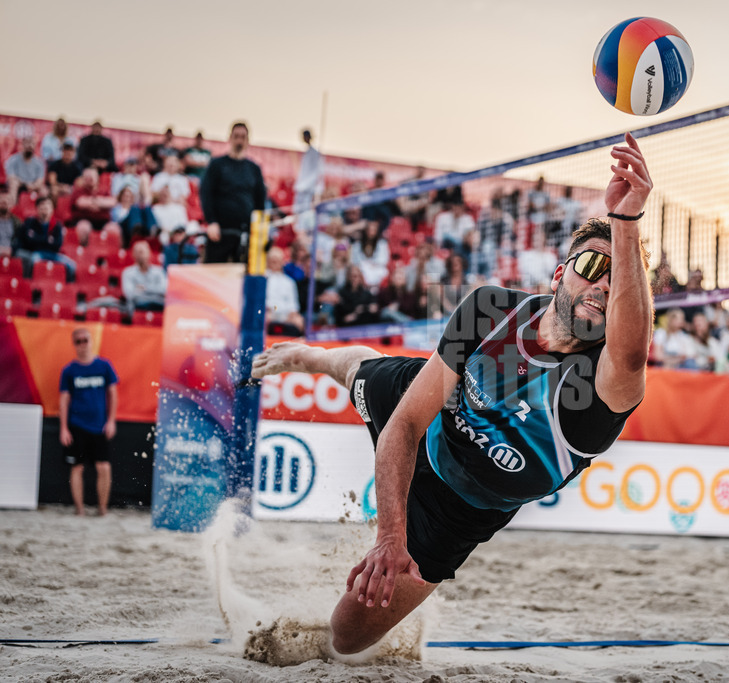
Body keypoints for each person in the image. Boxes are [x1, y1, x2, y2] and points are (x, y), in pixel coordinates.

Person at [250, 132, 653, 655]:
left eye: (615, 279)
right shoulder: (491, 310)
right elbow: (406, 424)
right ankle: (308, 354)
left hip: (459, 507)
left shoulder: (605, 386)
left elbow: (630, 350)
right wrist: (388, 540)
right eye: (592, 268)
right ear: (560, 274)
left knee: (347, 639)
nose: (602, 285)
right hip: (432, 421)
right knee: (359, 370)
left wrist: (627, 226)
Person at [59, 328, 119, 516]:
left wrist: (111, 421)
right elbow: (63, 399)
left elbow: (113, 393)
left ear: (91, 341)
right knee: (77, 467)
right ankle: (80, 510)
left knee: (104, 467)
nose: (83, 344)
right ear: (74, 345)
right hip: (77, 425)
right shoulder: (69, 371)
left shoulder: (104, 366)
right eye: (78, 341)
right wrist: (63, 429)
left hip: (100, 426)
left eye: (85, 340)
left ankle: (102, 509)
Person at [199, 121, 266, 263]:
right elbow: (206, 194)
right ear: (230, 138)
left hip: (245, 233)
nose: (239, 140)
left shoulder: (254, 169)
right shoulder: (217, 164)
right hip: (219, 232)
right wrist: (211, 222)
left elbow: (260, 201)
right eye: (236, 136)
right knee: (215, 274)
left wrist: (257, 228)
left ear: (248, 140)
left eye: (243, 137)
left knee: (241, 276)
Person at [14, 196, 77, 278]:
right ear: (37, 209)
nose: (44, 209)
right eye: (42, 207)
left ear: (52, 209)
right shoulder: (30, 223)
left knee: (72, 265)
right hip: (37, 253)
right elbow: (29, 241)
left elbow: (57, 244)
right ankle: (30, 284)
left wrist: (38, 238)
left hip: (53, 254)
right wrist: (47, 240)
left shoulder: (57, 225)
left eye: (47, 206)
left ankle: (68, 287)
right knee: (32, 261)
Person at [264, 246, 304, 335]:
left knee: (299, 321)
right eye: (273, 260)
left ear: (282, 262)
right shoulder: (263, 279)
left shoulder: (289, 282)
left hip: (285, 314)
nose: (275, 263)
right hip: (269, 313)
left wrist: (292, 314)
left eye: (277, 260)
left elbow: (293, 304)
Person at [120, 241, 167, 313]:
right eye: (137, 252)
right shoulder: (127, 273)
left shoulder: (159, 271)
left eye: (142, 252)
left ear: (149, 253)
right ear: (133, 255)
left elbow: (164, 290)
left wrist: (144, 288)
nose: (140, 255)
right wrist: (154, 292)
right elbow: (130, 294)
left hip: (158, 305)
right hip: (137, 308)